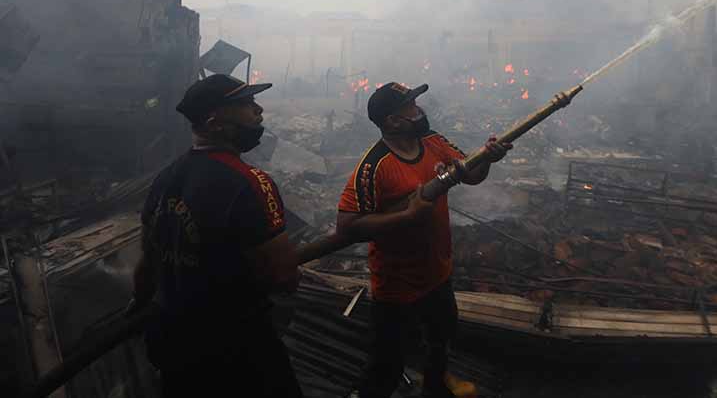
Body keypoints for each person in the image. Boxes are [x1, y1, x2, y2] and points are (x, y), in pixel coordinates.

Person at [131, 74, 302, 398]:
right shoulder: (250, 182)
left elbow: (147, 266)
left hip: (174, 344)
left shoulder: (165, 178)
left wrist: (141, 305)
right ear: (215, 123)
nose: (259, 110)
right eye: (246, 104)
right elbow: (284, 275)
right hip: (236, 350)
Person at [337, 82, 511, 398]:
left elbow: (470, 175)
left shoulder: (432, 142)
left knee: (440, 343)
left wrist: (486, 159)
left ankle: (435, 389)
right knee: (385, 366)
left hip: (438, 273)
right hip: (396, 286)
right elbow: (348, 227)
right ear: (392, 121)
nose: (419, 111)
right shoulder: (373, 167)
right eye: (411, 107)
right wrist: (407, 215)